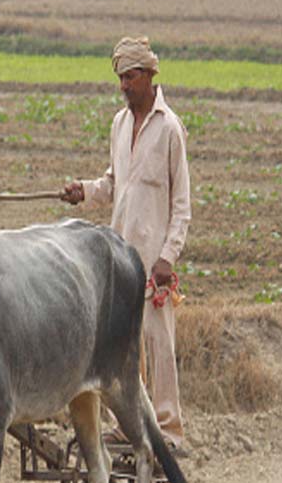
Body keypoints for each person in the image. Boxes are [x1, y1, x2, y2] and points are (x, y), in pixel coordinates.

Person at [60, 35, 191, 449]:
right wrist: (84, 190)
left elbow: (182, 205)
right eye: (120, 78)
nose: (123, 85)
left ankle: (168, 427)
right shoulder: (119, 124)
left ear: (150, 76)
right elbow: (113, 184)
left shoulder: (169, 129)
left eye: (130, 77)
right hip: (120, 259)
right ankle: (129, 421)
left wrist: (167, 258)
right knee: (123, 346)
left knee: (158, 342)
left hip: (154, 261)